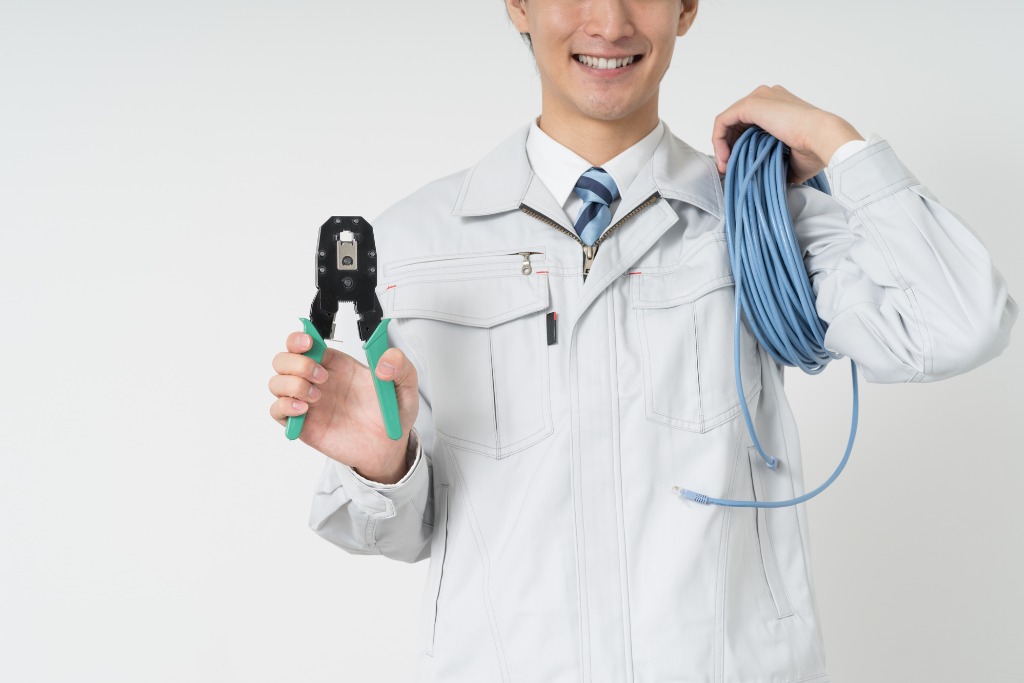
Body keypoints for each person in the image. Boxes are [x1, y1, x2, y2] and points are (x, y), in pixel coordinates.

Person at [268, 1, 1016, 680]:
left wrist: (834, 140)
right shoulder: (418, 243)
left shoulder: (760, 218)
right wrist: (385, 466)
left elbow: (961, 322)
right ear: (518, 5)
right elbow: (393, 534)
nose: (610, 21)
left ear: (686, 7)